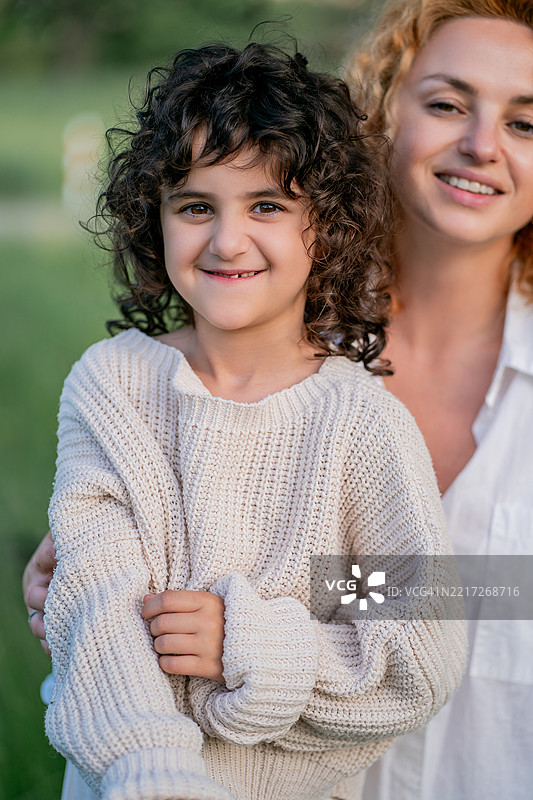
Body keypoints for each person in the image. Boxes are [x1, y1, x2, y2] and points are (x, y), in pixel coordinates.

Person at [23, 41, 465, 800]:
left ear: (323, 226)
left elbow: (413, 646)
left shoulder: (358, 424)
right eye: (196, 206)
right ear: (153, 222)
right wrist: (150, 771)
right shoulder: (115, 387)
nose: (227, 240)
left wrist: (252, 643)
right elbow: (100, 596)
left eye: (266, 204)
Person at [343, 1, 533, 798]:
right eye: (448, 104)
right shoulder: (275, 350)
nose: (480, 146)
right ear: (383, 117)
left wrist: (330, 581)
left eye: (526, 124)